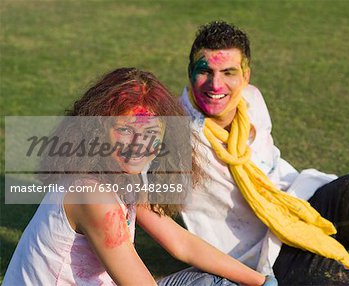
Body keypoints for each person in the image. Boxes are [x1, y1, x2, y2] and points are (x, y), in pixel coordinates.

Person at [178, 21, 349, 285]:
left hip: (307, 208)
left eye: (228, 72)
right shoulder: (175, 133)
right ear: (190, 72)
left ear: (245, 75)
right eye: (205, 71)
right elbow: (150, 206)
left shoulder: (251, 99)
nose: (216, 85)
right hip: (268, 257)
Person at [3, 67, 277, 286]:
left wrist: (261, 280)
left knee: (218, 280)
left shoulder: (123, 175)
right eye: (124, 131)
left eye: (150, 135)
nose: (138, 146)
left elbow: (181, 243)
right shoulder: (92, 196)